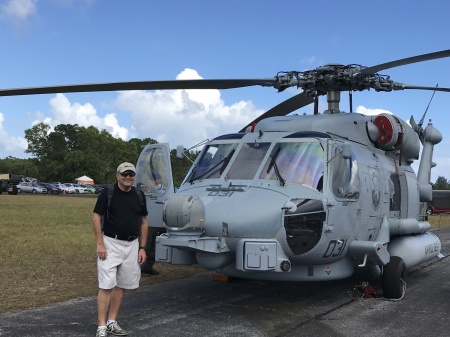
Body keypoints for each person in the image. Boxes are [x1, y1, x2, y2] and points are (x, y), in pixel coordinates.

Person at [92, 162, 148, 337]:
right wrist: (100, 243)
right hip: (110, 243)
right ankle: (101, 326)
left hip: (132, 245)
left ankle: (112, 322)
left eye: (131, 174)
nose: (128, 177)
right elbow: (96, 216)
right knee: (106, 285)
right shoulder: (108, 193)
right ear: (117, 175)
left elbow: (144, 222)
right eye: (124, 174)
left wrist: (142, 247)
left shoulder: (139, 195)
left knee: (121, 285)